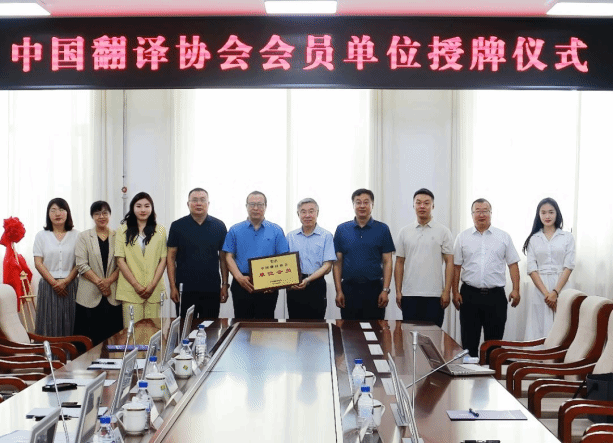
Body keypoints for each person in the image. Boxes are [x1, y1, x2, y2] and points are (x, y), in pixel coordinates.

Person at [452, 198, 521, 357]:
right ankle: (469, 372)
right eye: (478, 211)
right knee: (469, 343)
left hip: (495, 297)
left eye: (485, 211)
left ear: (491, 213)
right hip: (469, 295)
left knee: (494, 345)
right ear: (472, 214)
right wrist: (454, 292)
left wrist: (516, 290)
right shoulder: (462, 237)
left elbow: (513, 264)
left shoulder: (503, 237)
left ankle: (492, 372)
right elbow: (456, 267)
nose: (481, 215)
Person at [223, 191, 289, 319]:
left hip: (268, 283)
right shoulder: (235, 229)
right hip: (242, 281)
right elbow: (228, 256)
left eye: (260, 204)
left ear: (265, 206)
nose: (255, 208)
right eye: (252, 204)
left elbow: (284, 258)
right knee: (241, 324)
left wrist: (275, 283)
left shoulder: (276, 230)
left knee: (265, 324)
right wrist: (239, 277)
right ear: (246, 206)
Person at [394, 188, 453, 327]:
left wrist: (446, 291)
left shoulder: (443, 231)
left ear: (433, 206)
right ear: (413, 205)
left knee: (433, 336)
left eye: (426, 203)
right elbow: (399, 262)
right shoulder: (404, 232)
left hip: (435, 295)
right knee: (409, 335)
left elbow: (449, 262)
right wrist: (398, 291)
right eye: (418, 202)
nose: (422, 206)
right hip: (410, 294)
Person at [333, 189, 395, 320]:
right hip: (349, 289)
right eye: (358, 202)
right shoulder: (342, 229)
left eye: (366, 202)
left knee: (376, 329)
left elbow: (387, 261)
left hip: (374, 289)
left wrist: (385, 290)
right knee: (348, 330)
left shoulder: (382, 229)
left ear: (372, 205)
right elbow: (337, 263)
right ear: (353, 205)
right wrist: (338, 291)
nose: (362, 206)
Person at [167, 188, 229, 319]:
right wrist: (172, 287)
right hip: (185, 288)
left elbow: (223, 259)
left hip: (211, 288)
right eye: (194, 200)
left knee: (210, 327)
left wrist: (224, 285)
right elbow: (170, 258)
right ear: (188, 204)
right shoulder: (177, 226)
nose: (198, 203)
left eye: (202, 200)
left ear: (208, 203)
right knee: (185, 327)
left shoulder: (219, 226)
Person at [522, 197, 575, 340]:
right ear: (538, 215)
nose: (547, 216)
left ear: (557, 214)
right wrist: (547, 295)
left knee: (563, 325)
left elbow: (569, 266)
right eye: (543, 212)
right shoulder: (534, 239)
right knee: (539, 326)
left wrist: (555, 292)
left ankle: (561, 355)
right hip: (541, 288)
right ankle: (538, 355)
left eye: (551, 212)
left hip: (562, 286)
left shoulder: (567, 237)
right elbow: (532, 269)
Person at [115, 192, 167, 327]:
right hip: (130, 289)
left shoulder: (160, 230)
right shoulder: (122, 230)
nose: (143, 210)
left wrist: (152, 285)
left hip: (154, 289)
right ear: (133, 208)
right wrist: (136, 286)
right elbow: (120, 260)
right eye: (138, 206)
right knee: (131, 331)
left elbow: (163, 259)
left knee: (153, 331)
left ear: (152, 208)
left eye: (147, 206)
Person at [74, 201, 123, 345]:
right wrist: (101, 283)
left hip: (113, 294)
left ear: (110, 215)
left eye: (105, 213)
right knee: (89, 339)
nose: (101, 216)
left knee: (113, 339)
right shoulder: (84, 236)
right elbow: (81, 264)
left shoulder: (118, 236)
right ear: (92, 216)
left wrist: (108, 281)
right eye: (97, 213)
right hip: (89, 295)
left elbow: (122, 263)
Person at [33, 198, 79, 336]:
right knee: (49, 324)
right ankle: (49, 350)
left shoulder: (77, 235)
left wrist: (65, 281)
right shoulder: (41, 236)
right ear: (48, 214)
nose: (57, 213)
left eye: (61, 209)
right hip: (48, 286)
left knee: (71, 322)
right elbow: (38, 262)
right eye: (53, 210)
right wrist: (54, 283)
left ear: (67, 213)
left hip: (71, 285)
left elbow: (80, 262)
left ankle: (71, 350)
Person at [286, 198, 336, 319]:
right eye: (303, 212)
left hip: (316, 284)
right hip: (294, 285)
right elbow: (284, 262)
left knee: (317, 324)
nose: (307, 215)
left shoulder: (326, 236)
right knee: (294, 323)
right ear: (298, 214)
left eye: (311, 211)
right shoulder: (290, 236)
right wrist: (289, 282)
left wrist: (308, 280)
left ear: (317, 213)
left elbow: (327, 266)